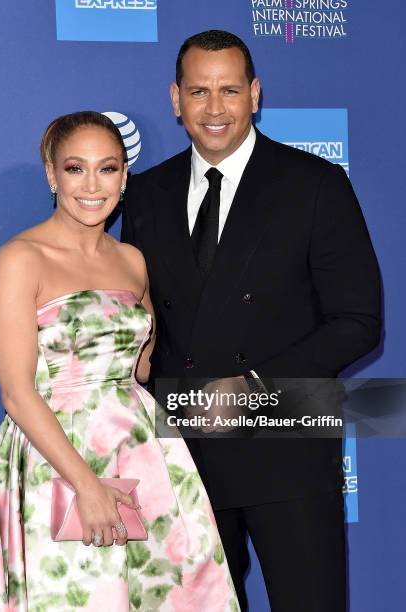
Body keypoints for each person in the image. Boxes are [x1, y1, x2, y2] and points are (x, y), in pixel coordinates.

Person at [122, 30, 381, 611]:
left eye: (230, 90)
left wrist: (255, 386)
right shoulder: (145, 194)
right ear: (175, 99)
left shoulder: (314, 185)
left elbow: (357, 321)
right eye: (199, 91)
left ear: (255, 95)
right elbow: (141, 315)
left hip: (286, 444)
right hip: (185, 452)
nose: (215, 109)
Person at [0, 111, 239, 611]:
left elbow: (142, 367)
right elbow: (17, 392)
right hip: (59, 459)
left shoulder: (131, 260)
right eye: (75, 168)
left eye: (107, 169)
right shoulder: (21, 259)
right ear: (51, 173)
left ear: (124, 177)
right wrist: (86, 485)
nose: (92, 185)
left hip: (143, 453)